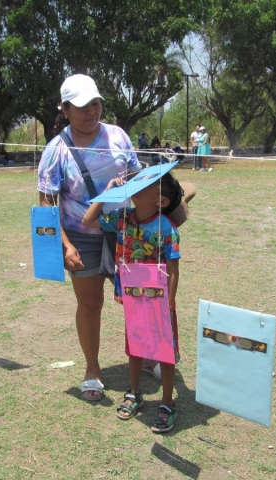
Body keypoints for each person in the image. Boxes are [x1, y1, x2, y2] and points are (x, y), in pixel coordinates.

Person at [37, 74, 142, 401]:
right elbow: (47, 203)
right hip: (80, 238)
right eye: (82, 106)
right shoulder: (56, 150)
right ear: (65, 109)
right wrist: (64, 245)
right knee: (90, 304)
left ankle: (148, 356)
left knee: (138, 301)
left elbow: (138, 178)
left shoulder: (119, 136)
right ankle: (92, 369)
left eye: (95, 103)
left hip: (125, 232)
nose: (91, 111)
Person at [82, 172, 183, 432]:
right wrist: (108, 192)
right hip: (133, 297)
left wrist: (169, 304)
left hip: (159, 299)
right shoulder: (122, 217)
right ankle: (135, 393)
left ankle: (167, 402)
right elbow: (88, 219)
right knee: (135, 347)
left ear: (160, 201)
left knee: (165, 353)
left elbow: (173, 269)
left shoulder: (166, 227)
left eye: (146, 185)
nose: (136, 186)